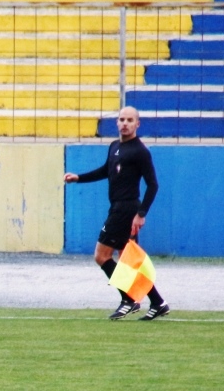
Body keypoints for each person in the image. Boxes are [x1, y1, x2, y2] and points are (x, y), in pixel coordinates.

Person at [63, 106, 171, 321]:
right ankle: (158, 302)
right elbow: (106, 170)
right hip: (117, 207)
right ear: (117, 122)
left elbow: (153, 184)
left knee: (101, 256)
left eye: (130, 120)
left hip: (126, 210)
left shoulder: (140, 151)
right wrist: (79, 178)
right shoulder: (114, 146)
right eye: (122, 119)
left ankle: (129, 299)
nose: (125, 123)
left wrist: (141, 214)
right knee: (127, 260)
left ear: (137, 124)